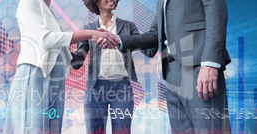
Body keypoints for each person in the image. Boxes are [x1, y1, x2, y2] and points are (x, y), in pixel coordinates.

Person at [97, 0, 231, 133]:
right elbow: (155, 35)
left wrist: (210, 62)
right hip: (171, 72)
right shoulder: (161, 2)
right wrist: (119, 41)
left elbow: (216, 9)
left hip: (198, 66)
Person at [3, 0, 121, 133]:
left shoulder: (49, 11)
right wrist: (90, 34)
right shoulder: (29, 2)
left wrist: (85, 49)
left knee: (51, 129)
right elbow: (46, 39)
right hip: (36, 74)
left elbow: (61, 49)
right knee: (34, 127)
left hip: (55, 81)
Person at [71, 0, 157, 133]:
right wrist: (62, 47)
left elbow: (149, 51)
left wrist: (160, 23)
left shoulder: (129, 26)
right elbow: (77, 61)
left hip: (122, 90)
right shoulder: (88, 29)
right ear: (95, 1)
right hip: (95, 90)